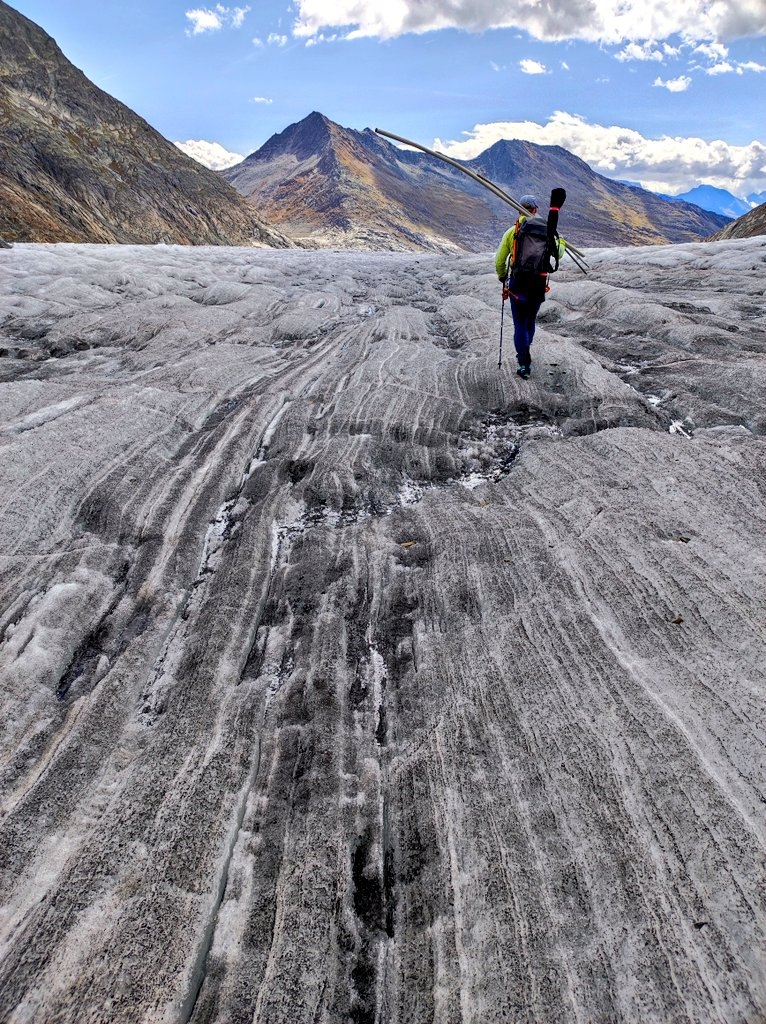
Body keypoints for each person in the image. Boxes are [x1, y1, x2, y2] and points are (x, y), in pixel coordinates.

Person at [495, 195, 566, 379]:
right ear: (535, 209)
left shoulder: (513, 231)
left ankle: (523, 363)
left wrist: (502, 276)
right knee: (529, 321)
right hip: (538, 284)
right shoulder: (546, 230)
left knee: (519, 323)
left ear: (519, 209)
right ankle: (525, 352)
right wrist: (562, 241)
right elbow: (558, 253)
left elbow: (500, 260)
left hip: (518, 283)